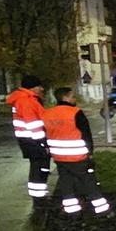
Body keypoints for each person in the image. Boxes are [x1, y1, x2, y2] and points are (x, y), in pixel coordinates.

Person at [42, 87, 110, 216]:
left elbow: (46, 134)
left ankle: (72, 211)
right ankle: (101, 209)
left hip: (59, 157)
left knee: (66, 183)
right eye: (72, 96)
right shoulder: (75, 112)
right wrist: (90, 153)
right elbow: (86, 135)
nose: (74, 99)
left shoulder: (47, 113)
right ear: (65, 97)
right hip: (77, 156)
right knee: (88, 181)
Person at [6, 74, 50, 207]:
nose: (41, 89)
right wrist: (43, 143)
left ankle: (39, 197)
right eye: (39, 86)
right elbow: (33, 124)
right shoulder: (27, 101)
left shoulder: (24, 99)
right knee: (39, 168)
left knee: (38, 167)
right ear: (33, 87)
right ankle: (39, 200)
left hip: (28, 140)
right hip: (34, 140)